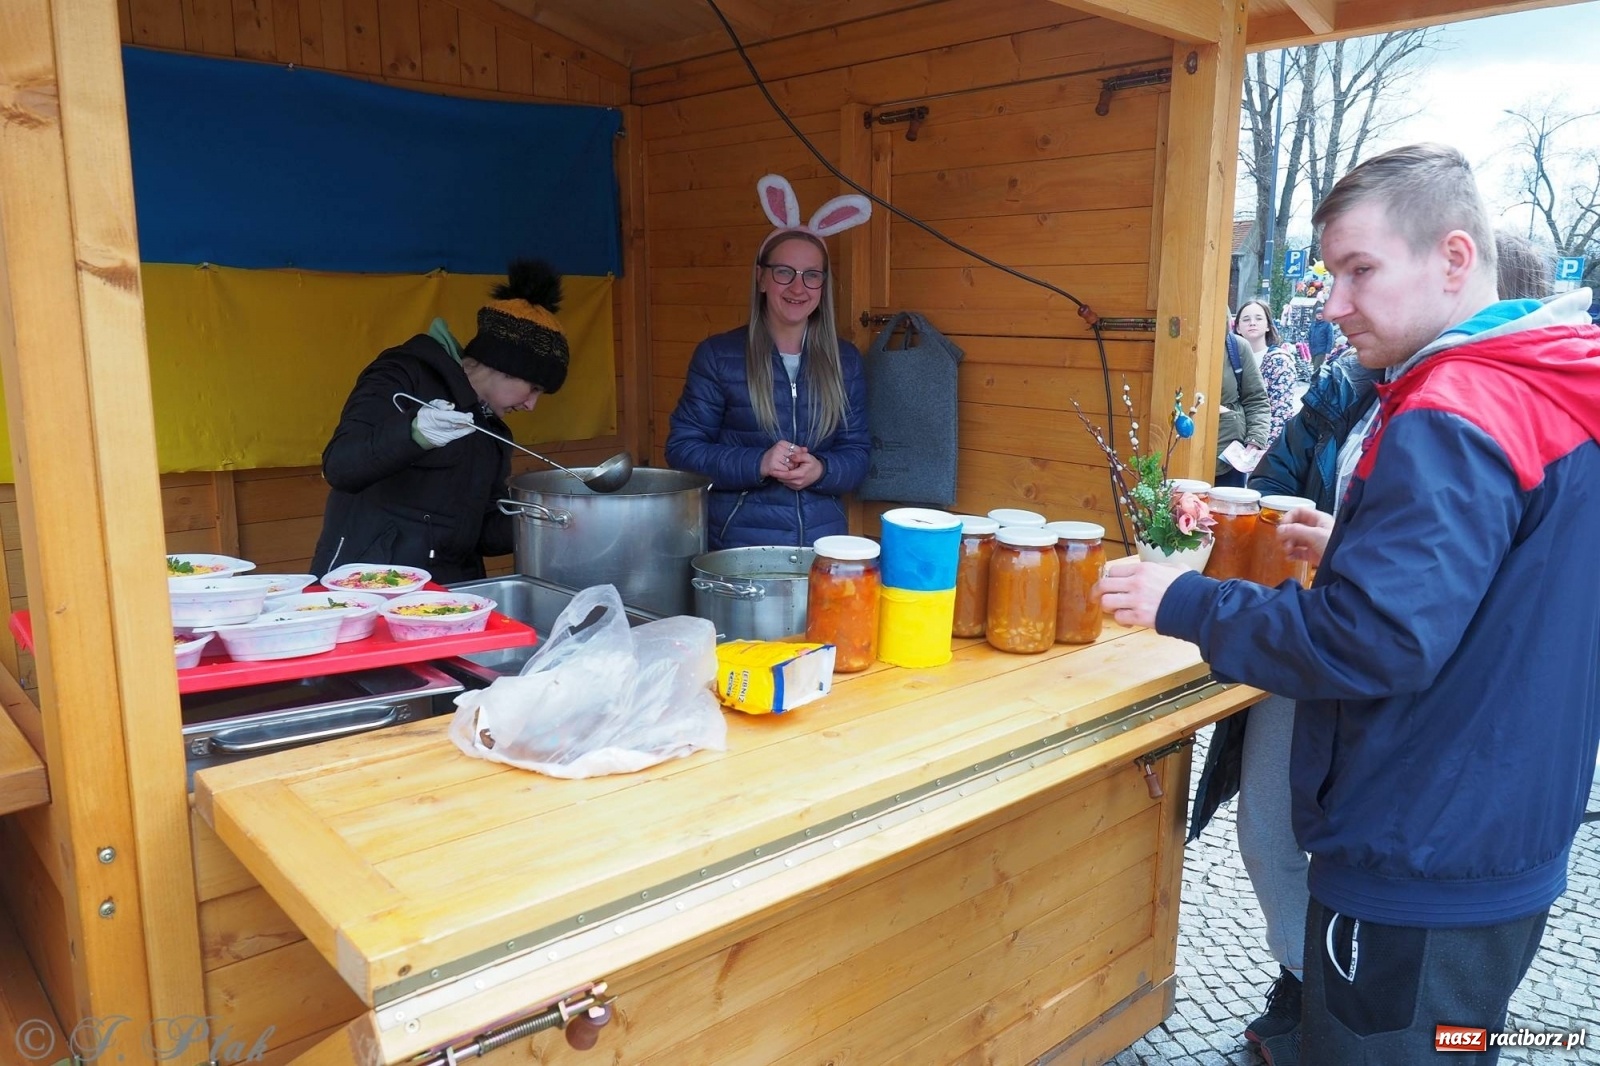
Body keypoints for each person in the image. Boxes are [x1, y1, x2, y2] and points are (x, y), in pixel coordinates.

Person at [1103, 144, 1600, 1065]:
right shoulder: (1556, 378)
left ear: (1454, 258)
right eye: (1330, 274)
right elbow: (1525, 584)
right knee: (1459, 1043)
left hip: (1419, 847)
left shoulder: (1454, 408)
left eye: (1359, 270)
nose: (1332, 304)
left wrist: (1186, 600)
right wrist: (1360, 548)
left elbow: (1373, 642)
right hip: (1504, 837)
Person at [311, 259, 568, 583]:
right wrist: (415, 433)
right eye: (534, 388)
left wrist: (547, 521)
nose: (531, 405)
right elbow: (340, 466)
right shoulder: (403, 375)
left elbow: (480, 533)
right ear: (503, 366)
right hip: (367, 583)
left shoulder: (491, 429)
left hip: (448, 591)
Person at [666, 175, 872, 549]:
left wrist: (822, 470)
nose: (798, 287)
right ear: (761, 278)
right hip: (739, 549)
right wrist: (758, 463)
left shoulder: (845, 361)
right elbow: (683, 452)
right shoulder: (718, 356)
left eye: (812, 275)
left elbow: (857, 454)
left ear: (823, 286)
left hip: (823, 547)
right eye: (784, 272)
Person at [1234, 300, 1301, 448]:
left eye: (1258, 318)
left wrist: (1261, 448)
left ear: (1268, 326)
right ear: (1237, 327)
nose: (1252, 323)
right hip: (1231, 440)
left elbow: (1280, 411)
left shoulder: (1279, 361)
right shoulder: (1230, 359)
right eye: (1246, 319)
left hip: (1263, 444)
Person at [1215, 328, 1272, 488]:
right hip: (1172, 451)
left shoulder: (1236, 346)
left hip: (1227, 458)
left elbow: (1256, 399)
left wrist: (1255, 440)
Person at [1305, 305, 1334, 373]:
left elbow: (1330, 339)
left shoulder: (1328, 324)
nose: (1319, 316)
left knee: (1317, 368)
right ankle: (1316, 379)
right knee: (1314, 367)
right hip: (1313, 350)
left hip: (1322, 350)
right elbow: (1310, 335)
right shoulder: (1313, 324)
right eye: (1318, 314)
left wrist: (1328, 351)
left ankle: (1315, 380)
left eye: (1321, 314)